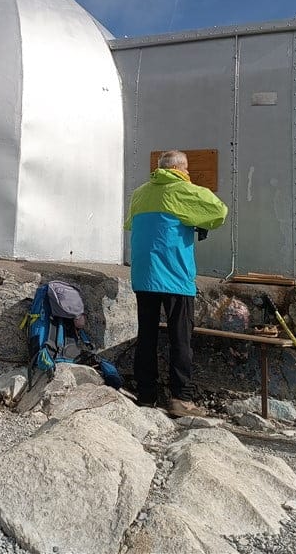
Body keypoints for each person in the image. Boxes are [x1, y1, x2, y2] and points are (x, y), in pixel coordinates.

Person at [124, 150, 228, 417]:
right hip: (174, 275)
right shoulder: (184, 189)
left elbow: (129, 225)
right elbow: (219, 212)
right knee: (180, 337)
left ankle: (146, 395)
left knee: (146, 335)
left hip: (144, 276)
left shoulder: (139, 194)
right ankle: (181, 399)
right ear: (182, 169)